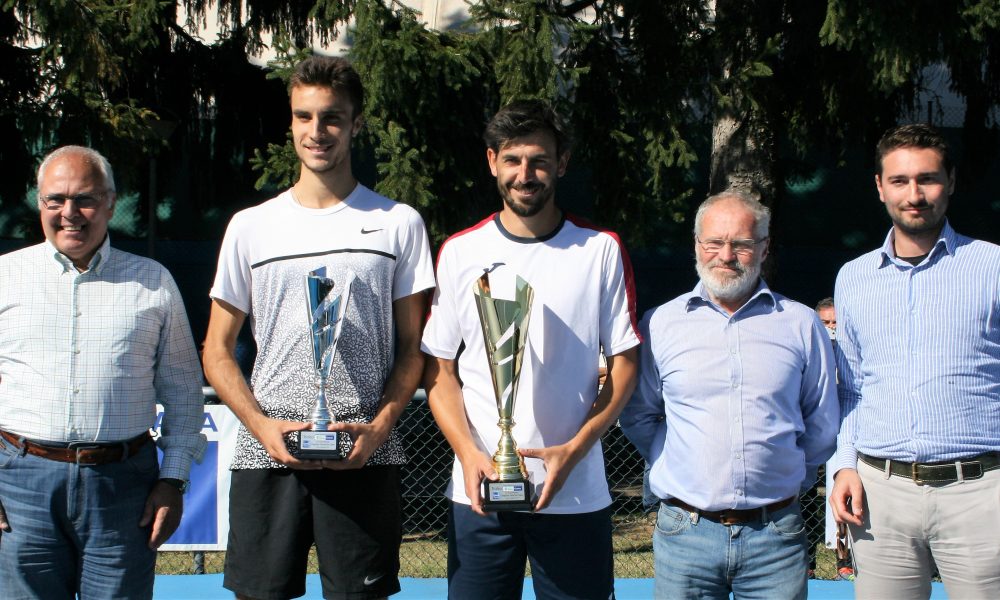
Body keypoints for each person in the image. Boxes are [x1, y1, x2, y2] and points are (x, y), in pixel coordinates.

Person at [202, 56, 435, 600]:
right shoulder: (251, 227)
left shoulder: (398, 222)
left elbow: (413, 348)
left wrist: (377, 430)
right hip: (268, 454)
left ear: (355, 124)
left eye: (331, 117)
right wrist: (262, 428)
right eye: (303, 117)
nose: (316, 131)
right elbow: (216, 349)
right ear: (290, 123)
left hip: (363, 451)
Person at [421, 99, 640, 600]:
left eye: (539, 160)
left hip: (575, 493)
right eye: (514, 160)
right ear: (492, 161)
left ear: (560, 164)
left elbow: (626, 363)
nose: (526, 174)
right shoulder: (460, 251)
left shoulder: (599, 249)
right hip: (479, 494)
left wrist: (574, 450)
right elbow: (439, 371)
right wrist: (469, 452)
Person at [0, 145, 207, 599]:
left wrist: (172, 481)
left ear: (111, 203)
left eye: (85, 199)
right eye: (56, 200)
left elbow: (184, 392)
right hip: (21, 486)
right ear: (40, 203)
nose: (69, 213)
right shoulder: (6, 276)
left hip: (124, 489)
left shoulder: (153, 281)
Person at [621, 191, 839, 599]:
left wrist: (787, 474)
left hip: (776, 535)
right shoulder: (662, 324)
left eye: (740, 243)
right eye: (714, 242)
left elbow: (823, 422)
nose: (726, 254)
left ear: (764, 247)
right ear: (696, 245)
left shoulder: (800, 324)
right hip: (684, 534)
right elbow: (638, 415)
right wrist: (677, 462)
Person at [829, 123, 1000, 599]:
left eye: (928, 179)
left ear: (951, 182)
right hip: (881, 496)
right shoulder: (854, 277)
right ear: (880, 187)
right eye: (900, 181)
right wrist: (845, 466)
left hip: (983, 493)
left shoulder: (992, 268)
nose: (915, 194)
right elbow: (852, 386)